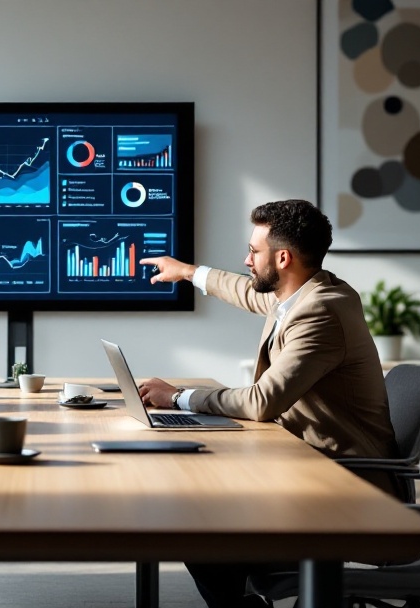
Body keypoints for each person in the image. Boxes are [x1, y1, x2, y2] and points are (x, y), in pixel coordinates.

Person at [139, 199, 398, 608]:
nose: (246, 259)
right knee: (198, 512)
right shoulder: (303, 293)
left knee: (196, 525)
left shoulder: (321, 312)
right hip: (307, 470)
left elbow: (262, 401)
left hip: (342, 488)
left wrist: (177, 397)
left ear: (282, 257)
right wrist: (188, 272)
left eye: (253, 251)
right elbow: (246, 291)